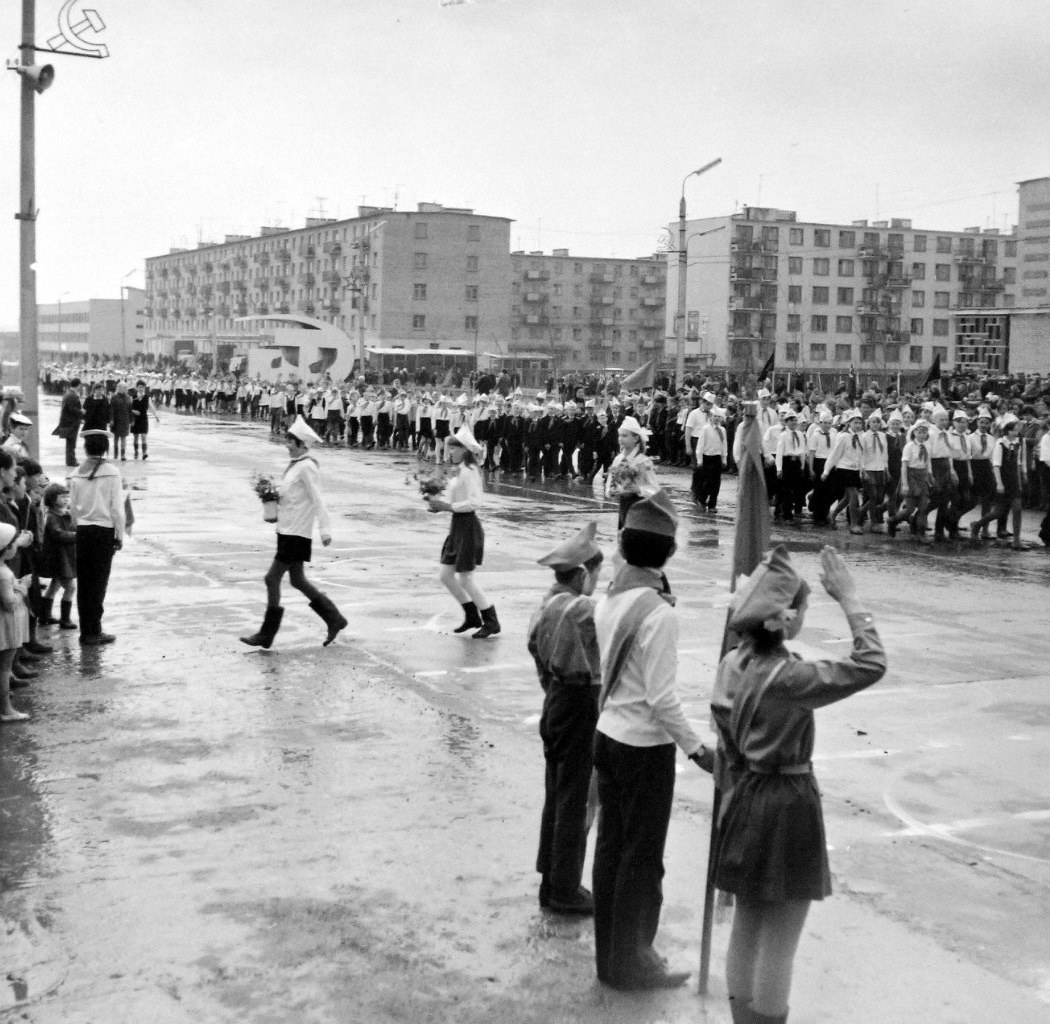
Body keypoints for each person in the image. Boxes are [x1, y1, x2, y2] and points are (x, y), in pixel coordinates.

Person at [711, 545, 885, 1024]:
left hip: (744, 796)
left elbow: (726, 747)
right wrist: (850, 600)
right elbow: (871, 663)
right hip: (787, 802)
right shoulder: (789, 677)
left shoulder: (730, 665)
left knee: (747, 924)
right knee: (781, 940)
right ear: (786, 620)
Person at [591, 490, 712, 991]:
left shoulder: (612, 597)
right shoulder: (659, 614)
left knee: (611, 853)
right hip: (643, 748)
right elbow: (662, 701)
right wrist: (699, 749)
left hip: (608, 736)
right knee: (642, 860)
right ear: (668, 554)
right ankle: (634, 962)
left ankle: (611, 959)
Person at [529, 522, 604, 916]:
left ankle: (551, 879)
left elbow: (533, 648)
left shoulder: (546, 603)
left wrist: (552, 686)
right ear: (582, 574)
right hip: (579, 703)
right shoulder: (580, 609)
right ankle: (565, 888)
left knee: (556, 795)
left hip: (556, 699)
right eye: (595, 574)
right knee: (575, 799)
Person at [240, 416, 347, 650]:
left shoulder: (307, 467)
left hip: (297, 533)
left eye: (290, 441)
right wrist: (272, 497)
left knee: (271, 578)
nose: (286, 445)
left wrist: (325, 530)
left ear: (300, 444)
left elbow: (318, 499)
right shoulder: (295, 465)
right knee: (297, 580)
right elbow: (292, 496)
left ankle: (266, 634)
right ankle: (334, 619)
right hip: (287, 529)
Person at [425, 424, 500, 639]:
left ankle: (491, 620)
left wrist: (448, 507)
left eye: (455, 449)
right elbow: (453, 498)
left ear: (465, 450)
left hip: (468, 526)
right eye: (450, 449)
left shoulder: (470, 471)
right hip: (457, 526)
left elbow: (475, 502)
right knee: (446, 575)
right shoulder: (459, 471)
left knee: (466, 577)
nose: (451, 452)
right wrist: (438, 504)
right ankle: (472, 616)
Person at [68, 430, 125, 645]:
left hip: (83, 531)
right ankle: (95, 631)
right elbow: (117, 509)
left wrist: (79, 526)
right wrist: (119, 534)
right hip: (103, 531)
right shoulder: (112, 472)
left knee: (84, 583)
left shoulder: (77, 473)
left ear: (85, 448)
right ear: (105, 448)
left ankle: (86, 631)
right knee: (99, 583)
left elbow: (72, 507)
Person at [0, 522, 31, 723]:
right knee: (4, 668)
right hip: (6, 626)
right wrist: (22, 588)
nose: (16, 547)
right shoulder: (3, 573)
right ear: (5, 548)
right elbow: (10, 603)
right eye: (13, 544)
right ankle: (6, 710)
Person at [39, 483, 77, 630]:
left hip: (64, 556)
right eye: (62, 496)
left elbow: (72, 527)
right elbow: (58, 535)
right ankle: (65, 619)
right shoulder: (51, 516)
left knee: (55, 586)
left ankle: (45, 614)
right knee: (70, 587)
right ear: (52, 499)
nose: (66, 499)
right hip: (58, 557)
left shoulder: (64, 513)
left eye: (68, 496)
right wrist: (77, 535)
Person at [53, 378, 83, 467]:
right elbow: (72, 409)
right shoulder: (72, 395)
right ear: (78, 385)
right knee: (71, 443)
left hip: (68, 421)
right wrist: (81, 412)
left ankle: (70, 460)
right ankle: (71, 461)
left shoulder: (68, 393)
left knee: (70, 443)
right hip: (71, 422)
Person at [130, 381, 160, 460]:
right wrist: (133, 412)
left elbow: (151, 407)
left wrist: (156, 416)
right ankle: (136, 452)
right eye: (139, 387)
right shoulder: (132, 397)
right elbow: (129, 408)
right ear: (136, 388)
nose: (141, 389)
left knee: (144, 436)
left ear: (144, 388)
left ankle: (144, 453)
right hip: (135, 419)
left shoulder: (147, 397)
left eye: (142, 387)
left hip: (143, 418)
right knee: (135, 436)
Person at [109, 381, 132, 461]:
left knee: (123, 437)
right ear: (118, 388)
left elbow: (130, 409)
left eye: (125, 387)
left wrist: (132, 420)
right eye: (121, 387)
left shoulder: (128, 397)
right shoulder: (114, 397)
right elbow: (111, 409)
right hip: (116, 420)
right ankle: (115, 454)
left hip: (125, 419)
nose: (123, 389)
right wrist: (111, 419)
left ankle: (123, 455)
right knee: (116, 437)